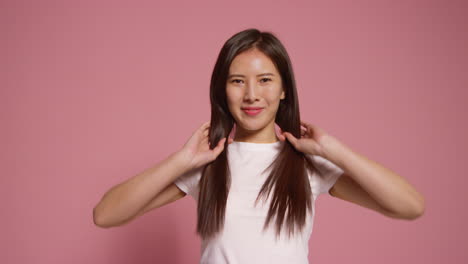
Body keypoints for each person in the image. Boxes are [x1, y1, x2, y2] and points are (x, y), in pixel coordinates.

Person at [93, 28, 425, 263]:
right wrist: (181, 160)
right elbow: (106, 215)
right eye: (238, 81)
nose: (252, 94)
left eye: (265, 80)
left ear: (284, 90)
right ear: (223, 90)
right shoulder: (209, 165)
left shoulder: (305, 164)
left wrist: (332, 150)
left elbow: (409, 205)